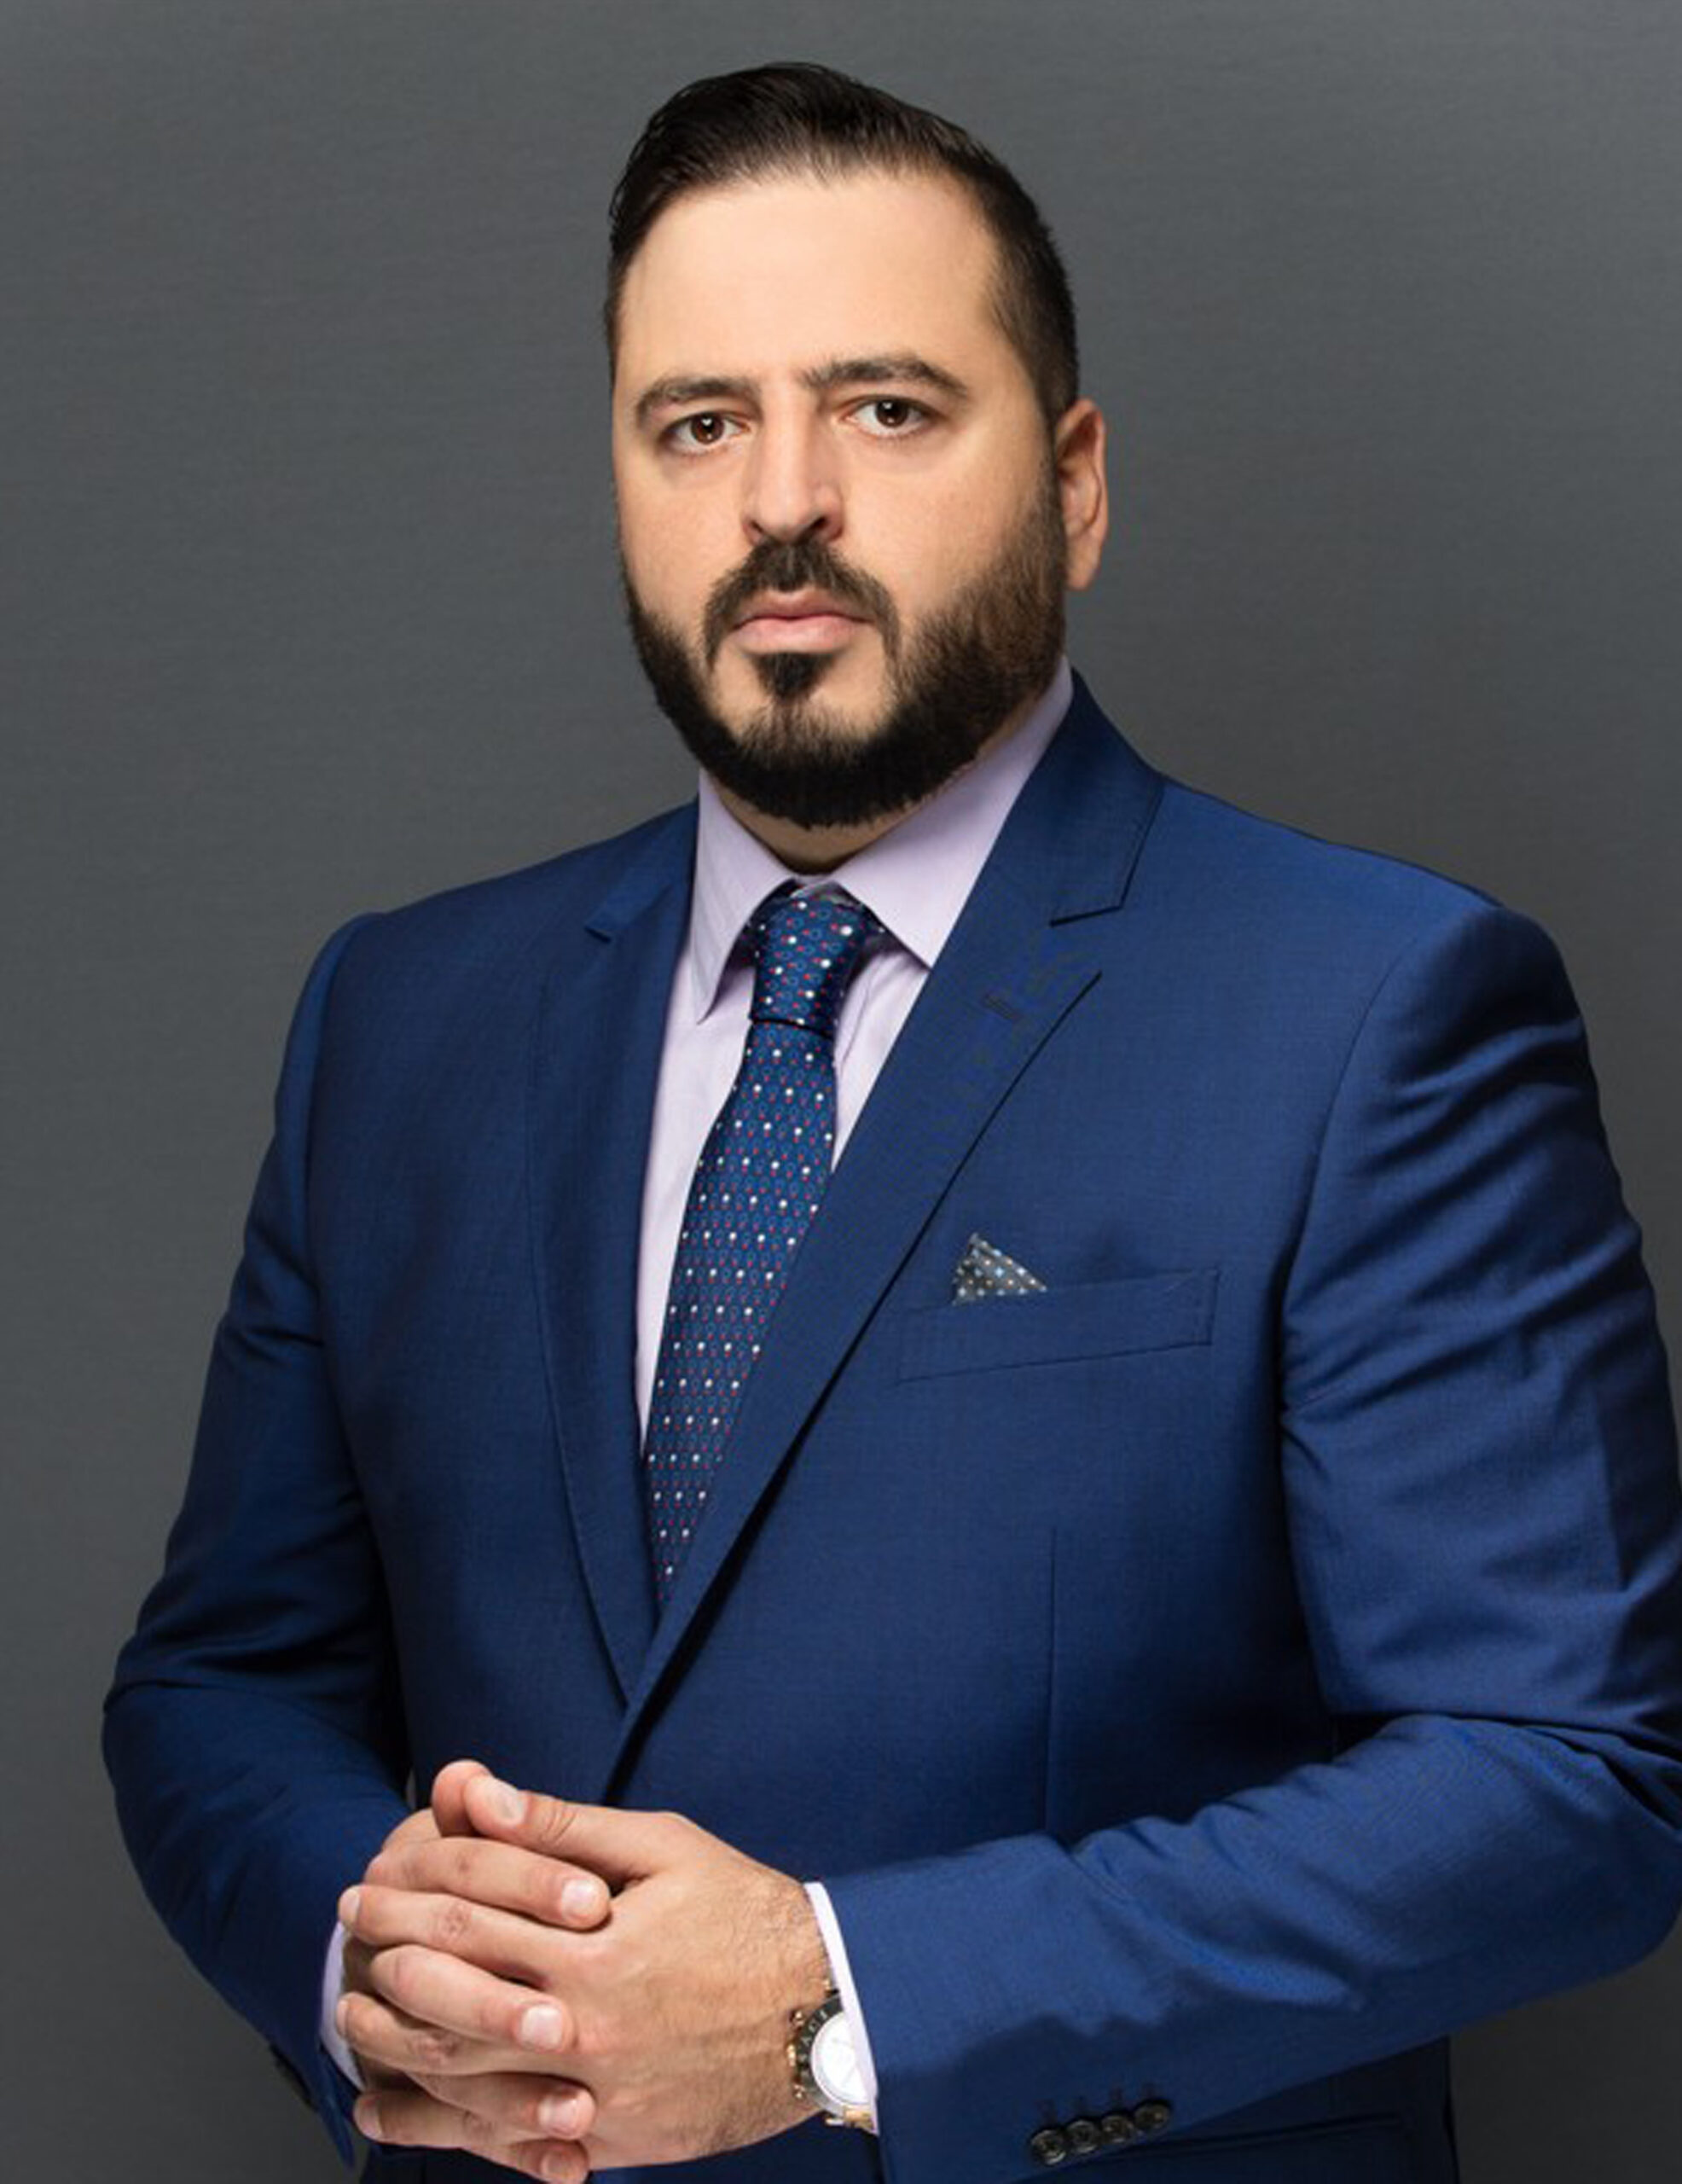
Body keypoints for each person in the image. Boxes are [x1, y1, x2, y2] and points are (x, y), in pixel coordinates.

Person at [104, 60, 1682, 2184]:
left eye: (884, 407)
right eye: (697, 423)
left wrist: (847, 2002)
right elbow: (220, 1680)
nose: (783, 500)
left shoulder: (1373, 1006)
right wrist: (370, 1955)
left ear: (1075, 483)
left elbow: (1568, 1778)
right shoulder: (398, 1017)